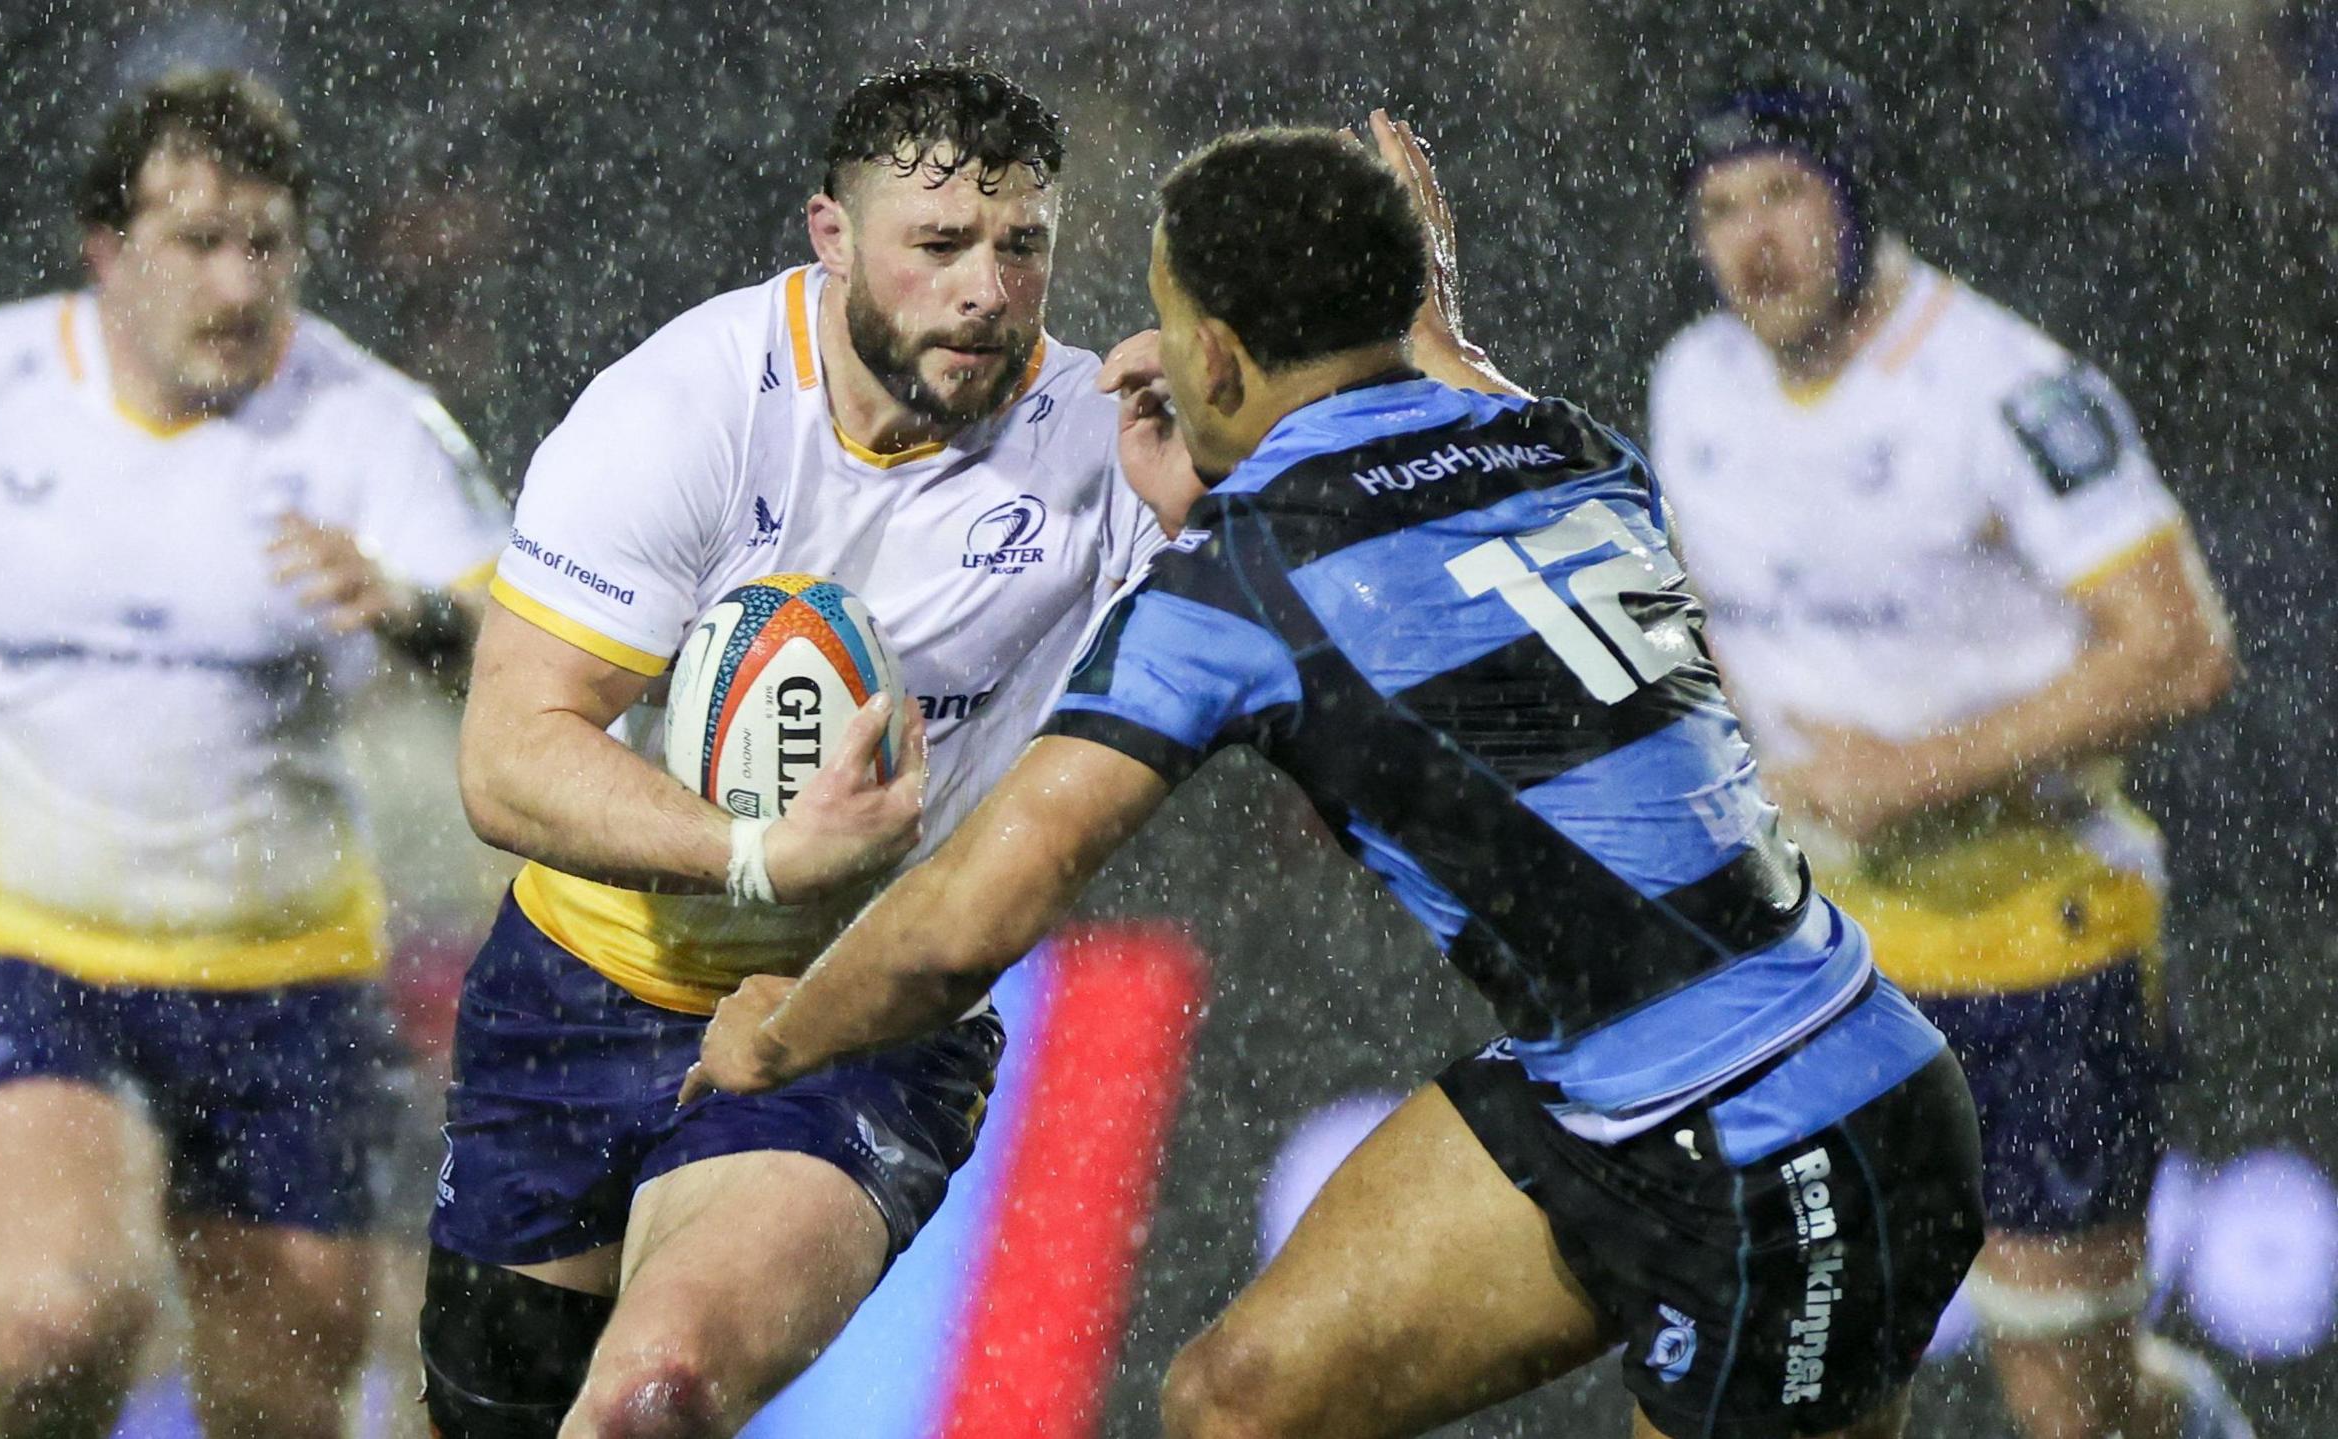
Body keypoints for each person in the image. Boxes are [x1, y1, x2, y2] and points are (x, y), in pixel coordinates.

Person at [683, 121, 1987, 1439]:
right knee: (1241, 1407)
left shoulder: (1245, 577)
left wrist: (781, 1036)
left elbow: (969, 922)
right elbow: (1425, 448)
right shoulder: (1562, 442)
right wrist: (1294, 414)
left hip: (1795, 1147)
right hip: (1642, 1098)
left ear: (1213, 353)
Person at [422, 62, 1161, 1438]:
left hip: (864, 1021)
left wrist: (1387, 360)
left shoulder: (1111, 443)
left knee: (656, 1397)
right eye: (939, 245)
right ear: (831, 237)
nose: (987, 290)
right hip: (578, 990)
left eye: (1023, 246)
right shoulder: (684, 407)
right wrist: (755, 853)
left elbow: (1342, 554)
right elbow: (510, 755)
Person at [0, 70, 504, 1439]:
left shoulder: (366, 425)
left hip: (288, 975)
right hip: (35, 950)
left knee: (286, 1405)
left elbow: (523, 636)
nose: (239, 283)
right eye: (198, 242)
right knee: (56, 1322)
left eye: (268, 243)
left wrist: (409, 614)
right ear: (107, 251)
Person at [1647, 59, 2248, 1439]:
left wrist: (1913, 772)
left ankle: (2187, 1422)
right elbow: (1694, 604)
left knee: (2069, 1405)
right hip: (1826, 959)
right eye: (1720, 209)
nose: (1754, 243)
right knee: (1808, 1368)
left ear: (1854, 200)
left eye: (1784, 195)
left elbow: (2181, 648)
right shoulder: (1693, 386)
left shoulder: (2005, 388)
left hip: (2040, 940)